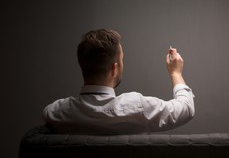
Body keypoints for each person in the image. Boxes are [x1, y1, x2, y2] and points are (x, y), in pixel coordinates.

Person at [42, 29, 195, 134]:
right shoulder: (138, 107)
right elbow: (186, 108)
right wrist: (176, 73)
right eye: (121, 61)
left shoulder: (56, 112)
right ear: (114, 69)